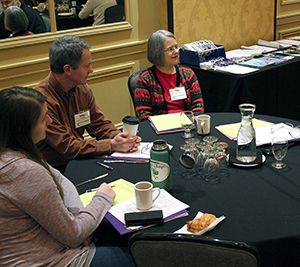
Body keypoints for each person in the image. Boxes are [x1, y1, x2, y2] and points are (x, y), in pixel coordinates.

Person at [0, 87, 136, 267]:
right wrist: (102, 198)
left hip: (51, 243)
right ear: (23, 129)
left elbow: (61, 181)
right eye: (43, 119)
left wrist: (80, 224)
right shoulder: (24, 172)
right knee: (140, 254)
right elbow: (73, 236)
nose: (49, 121)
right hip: (52, 260)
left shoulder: (12, 153)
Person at [34, 35, 141, 173]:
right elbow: (67, 146)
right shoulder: (42, 101)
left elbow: (98, 124)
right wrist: (111, 144)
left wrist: (121, 138)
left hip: (80, 159)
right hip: (56, 169)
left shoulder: (82, 88)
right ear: (67, 69)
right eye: (86, 66)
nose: (91, 70)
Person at [132, 29, 204, 121]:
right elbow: (143, 114)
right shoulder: (145, 79)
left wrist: (191, 120)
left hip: (188, 125)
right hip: (160, 129)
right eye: (170, 49)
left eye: (176, 47)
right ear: (157, 53)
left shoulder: (188, 74)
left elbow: (198, 105)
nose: (176, 52)